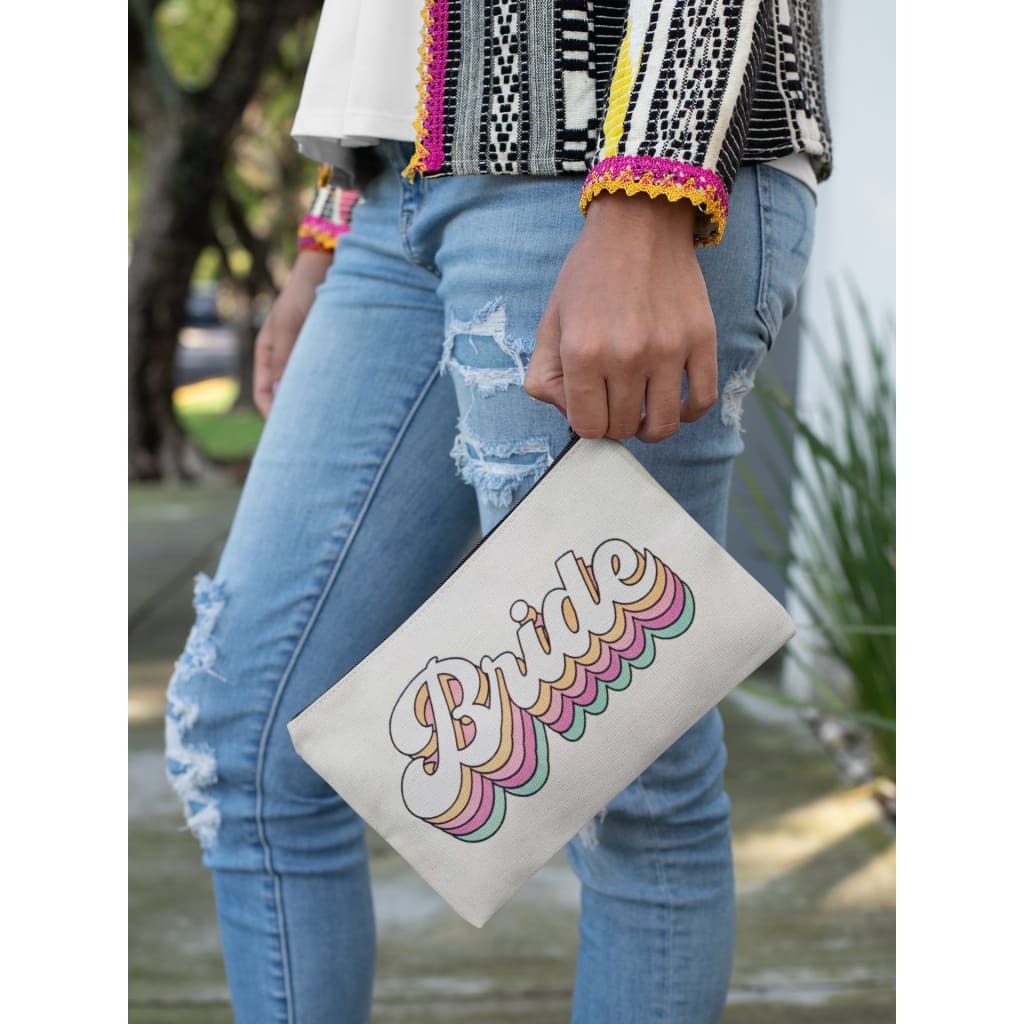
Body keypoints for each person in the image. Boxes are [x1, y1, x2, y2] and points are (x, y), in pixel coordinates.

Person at [165, 1, 830, 1021]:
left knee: (628, 792)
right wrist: (327, 227)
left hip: (596, 159)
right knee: (247, 740)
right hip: (390, 187)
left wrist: (651, 183)